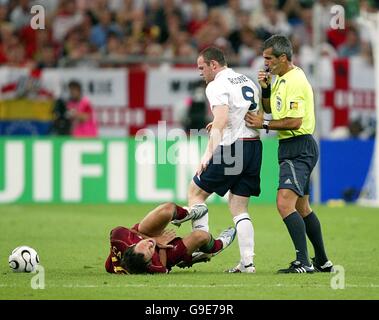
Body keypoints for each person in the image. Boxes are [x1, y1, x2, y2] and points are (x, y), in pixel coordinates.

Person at [244, 35, 333, 274]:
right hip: (291, 146)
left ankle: (303, 262)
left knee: (284, 203)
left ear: (283, 58)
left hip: (298, 147)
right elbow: (274, 110)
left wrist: (264, 124)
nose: (265, 63)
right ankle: (322, 261)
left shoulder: (295, 80)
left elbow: (294, 121)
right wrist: (266, 89)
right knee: (302, 208)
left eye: (268, 58)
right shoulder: (282, 79)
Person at [172, 46, 262, 273]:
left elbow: (221, 119)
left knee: (195, 192)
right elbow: (248, 115)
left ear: (214, 65)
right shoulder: (246, 81)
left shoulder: (216, 85)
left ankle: (200, 242)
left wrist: (207, 154)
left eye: (202, 67)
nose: (200, 72)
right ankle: (247, 263)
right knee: (239, 207)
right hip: (253, 147)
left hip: (233, 147)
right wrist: (226, 122)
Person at [105, 202, 236, 274]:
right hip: (165, 253)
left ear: (132, 245)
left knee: (167, 209)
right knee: (200, 236)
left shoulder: (119, 237)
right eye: (150, 249)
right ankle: (216, 247)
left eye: (143, 244)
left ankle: (186, 214)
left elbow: (133, 231)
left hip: (142, 232)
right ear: (149, 262)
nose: (150, 244)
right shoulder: (152, 266)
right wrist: (161, 247)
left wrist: (156, 239)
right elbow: (163, 268)